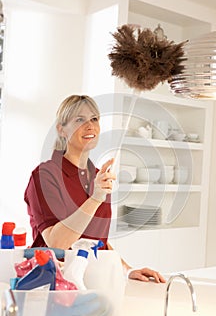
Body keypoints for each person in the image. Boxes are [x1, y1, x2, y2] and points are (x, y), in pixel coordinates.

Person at [24, 95, 165, 283]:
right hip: (55, 283)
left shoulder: (97, 177)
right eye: (79, 119)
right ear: (61, 129)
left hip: (96, 280)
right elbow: (57, 243)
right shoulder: (45, 175)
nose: (90, 126)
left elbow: (97, 241)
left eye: (94, 119)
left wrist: (127, 270)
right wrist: (96, 198)